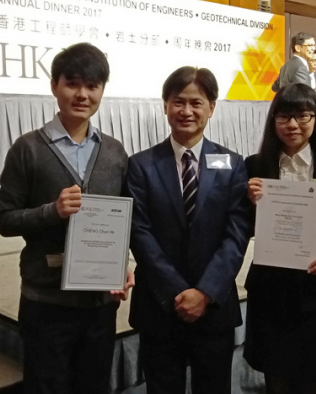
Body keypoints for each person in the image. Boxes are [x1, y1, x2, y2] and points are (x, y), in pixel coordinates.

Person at [0, 43, 134, 394]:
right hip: (46, 303)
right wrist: (51, 212)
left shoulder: (115, 152)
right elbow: (5, 220)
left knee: (94, 386)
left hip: (99, 304)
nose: (83, 94)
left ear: (102, 89)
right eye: (72, 84)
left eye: (93, 86)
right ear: (55, 86)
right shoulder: (27, 149)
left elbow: (122, 221)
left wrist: (123, 263)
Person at [125, 66, 251, 394]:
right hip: (160, 306)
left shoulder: (233, 163)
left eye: (196, 103)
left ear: (211, 107)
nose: (186, 111)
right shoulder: (141, 165)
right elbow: (140, 233)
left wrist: (205, 292)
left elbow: (236, 235)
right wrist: (178, 293)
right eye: (178, 102)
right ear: (165, 105)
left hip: (214, 307)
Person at [244, 83, 316, 394]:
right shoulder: (255, 166)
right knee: (275, 381)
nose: (292, 125)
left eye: (302, 116)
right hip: (270, 291)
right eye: (283, 117)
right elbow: (244, 227)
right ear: (273, 121)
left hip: (315, 292)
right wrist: (250, 204)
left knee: (309, 383)